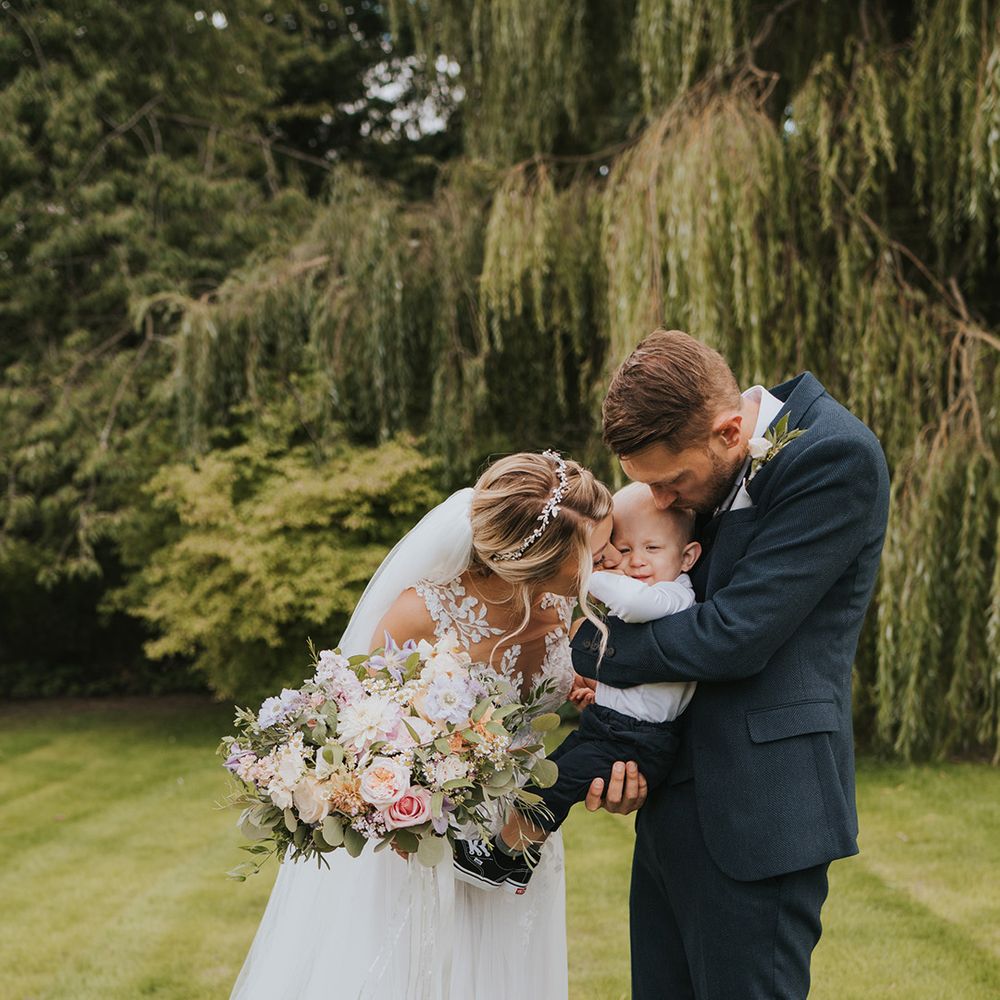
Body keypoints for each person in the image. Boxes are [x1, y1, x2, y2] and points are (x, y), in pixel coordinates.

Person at [572, 329, 890, 1000]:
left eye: (669, 482)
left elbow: (734, 634)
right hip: (672, 801)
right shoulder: (706, 466)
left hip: (762, 809)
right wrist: (635, 754)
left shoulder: (834, 457)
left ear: (727, 432)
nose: (659, 503)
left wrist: (596, 652)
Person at [230, 450, 613, 1000]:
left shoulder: (571, 610)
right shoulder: (421, 613)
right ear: (536, 562)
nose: (606, 563)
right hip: (422, 841)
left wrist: (593, 693)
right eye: (593, 555)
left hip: (522, 834)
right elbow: (356, 733)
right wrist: (403, 803)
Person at [450, 483, 701, 893]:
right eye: (623, 549)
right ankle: (518, 860)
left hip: (637, 740)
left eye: (652, 549)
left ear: (688, 556)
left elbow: (635, 604)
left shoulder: (673, 596)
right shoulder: (651, 588)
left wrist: (592, 574)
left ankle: (501, 858)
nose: (633, 562)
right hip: (611, 723)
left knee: (559, 784)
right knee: (548, 777)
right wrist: (601, 693)